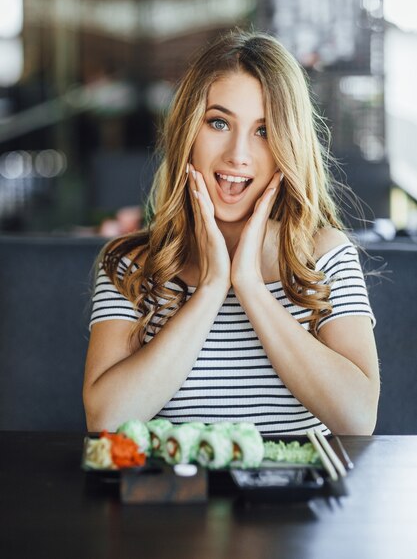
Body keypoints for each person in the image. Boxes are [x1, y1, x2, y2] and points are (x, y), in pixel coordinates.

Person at [83, 30, 380, 436]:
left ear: (288, 144)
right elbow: (105, 420)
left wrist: (251, 288)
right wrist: (210, 289)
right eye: (219, 123)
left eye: (263, 130)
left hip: (292, 498)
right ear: (188, 132)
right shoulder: (128, 263)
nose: (238, 155)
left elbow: (358, 419)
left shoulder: (325, 256)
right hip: (173, 497)